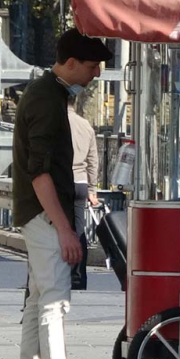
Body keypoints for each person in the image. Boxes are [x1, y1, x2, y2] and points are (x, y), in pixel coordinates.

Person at [11, 28, 112, 359]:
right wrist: (65, 229)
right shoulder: (49, 102)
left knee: (38, 300)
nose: (97, 74)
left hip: (34, 212)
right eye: (91, 66)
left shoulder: (44, 93)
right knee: (55, 300)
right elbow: (40, 173)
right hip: (44, 214)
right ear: (70, 64)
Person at [68, 95, 100, 290]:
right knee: (79, 229)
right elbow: (93, 160)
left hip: (61, 183)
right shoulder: (85, 125)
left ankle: (60, 272)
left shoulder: (56, 123)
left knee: (57, 227)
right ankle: (79, 276)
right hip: (80, 182)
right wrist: (92, 189)